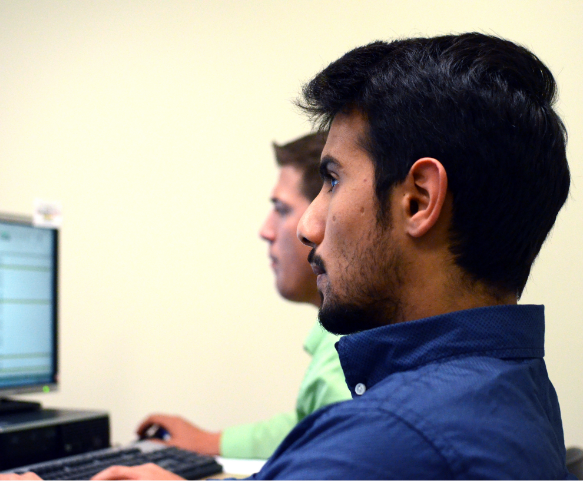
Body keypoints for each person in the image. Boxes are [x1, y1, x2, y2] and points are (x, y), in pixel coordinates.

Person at [2, 32, 575, 481]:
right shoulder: (510, 385)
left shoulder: (388, 440)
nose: (307, 224)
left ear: (418, 199)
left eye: (331, 178)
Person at [135, 132, 350, 460]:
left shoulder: (346, 358)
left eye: (281, 209)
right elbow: (306, 429)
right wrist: (210, 442)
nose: (265, 230)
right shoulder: (337, 339)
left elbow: (328, 459)